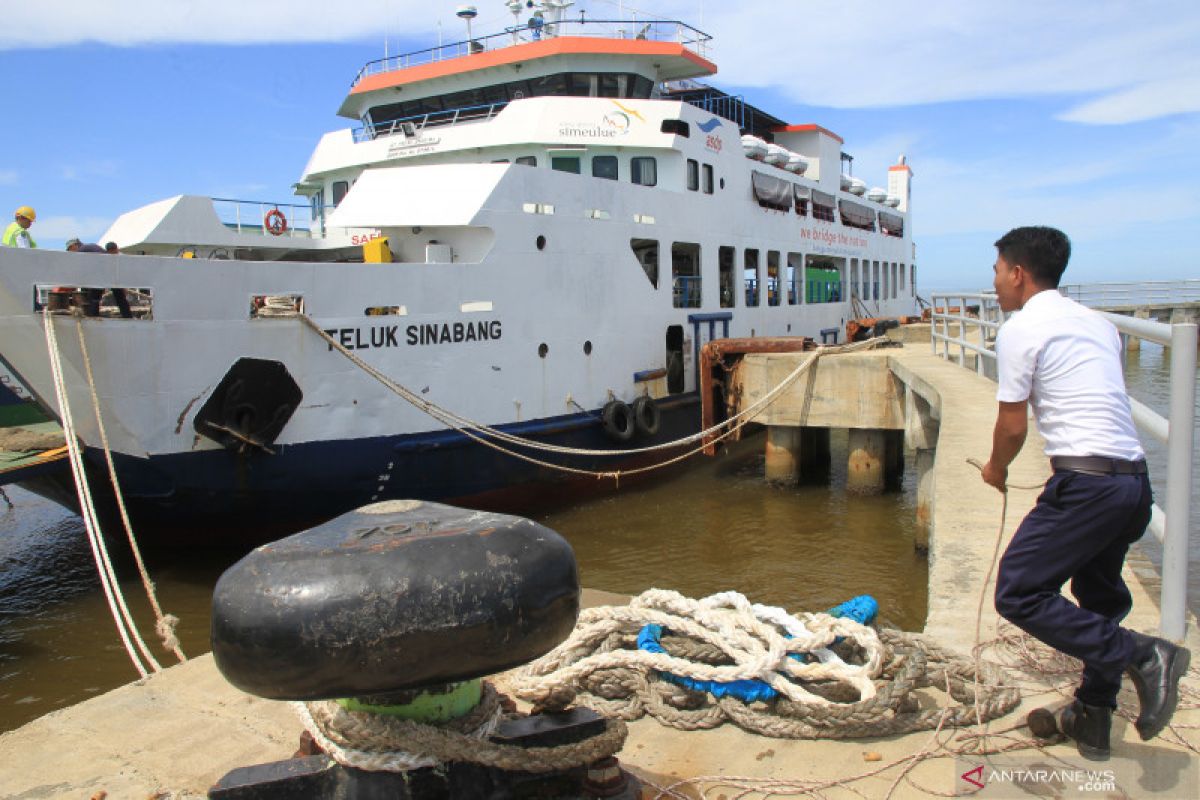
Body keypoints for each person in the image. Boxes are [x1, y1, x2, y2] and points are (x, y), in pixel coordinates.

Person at [982, 226, 1190, 761]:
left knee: (1019, 591)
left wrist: (995, 469)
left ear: (1018, 274)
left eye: (999, 270)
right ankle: (1094, 718)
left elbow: (1012, 428)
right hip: (1132, 484)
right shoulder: (1097, 324)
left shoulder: (1020, 329)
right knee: (1099, 597)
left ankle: (1144, 656)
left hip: (1087, 486)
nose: (996, 281)